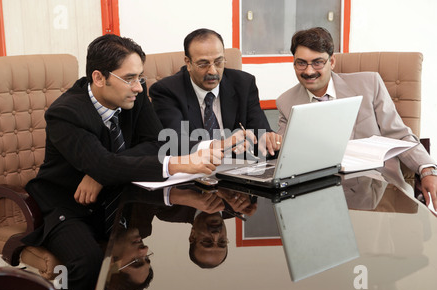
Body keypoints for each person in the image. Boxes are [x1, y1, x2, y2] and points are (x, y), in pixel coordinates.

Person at [22, 34, 223, 290]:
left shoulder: (134, 97)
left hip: (116, 193)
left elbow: (158, 143)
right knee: (87, 261)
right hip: (66, 203)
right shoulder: (66, 113)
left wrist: (102, 171)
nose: (139, 87)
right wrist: (175, 164)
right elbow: (135, 159)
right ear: (98, 78)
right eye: (129, 78)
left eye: (140, 77)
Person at [276, 27, 437, 209]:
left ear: (332, 61)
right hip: (319, 194)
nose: (309, 71)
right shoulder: (286, 102)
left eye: (318, 62)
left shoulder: (369, 84)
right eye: (301, 63)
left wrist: (427, 169)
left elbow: (399, 135)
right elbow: (284, 151)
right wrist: (272, 143)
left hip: (378, 188)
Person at [149, 28, 282, 158]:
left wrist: (269, 141)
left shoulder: (244, 84)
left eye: (218, 62)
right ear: (188, 63)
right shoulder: (167, 91)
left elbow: (261, 134)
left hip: (237, 169)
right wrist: (221, 144)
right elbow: (174, 144)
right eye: (203, 64)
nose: (213, 71)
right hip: (193, 173)